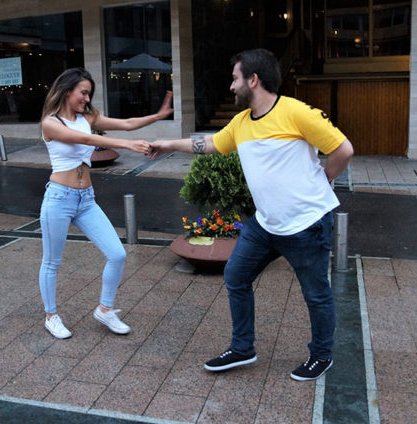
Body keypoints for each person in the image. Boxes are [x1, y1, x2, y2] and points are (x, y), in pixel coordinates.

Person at [149, 49, 353, 381]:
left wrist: (324, 178)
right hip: (265, 225)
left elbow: (343, 150)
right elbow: (211, 143)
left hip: (306, 225)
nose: (231, 86)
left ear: (253, 80)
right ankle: (243, 347)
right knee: (236, 276)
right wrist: (170, 144)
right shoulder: (241, 122)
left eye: (235, 78)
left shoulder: (296, 112)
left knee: (316, 294)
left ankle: (321, 355)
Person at [39, 67, 173, 339]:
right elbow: (85, 139)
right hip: (59, 199)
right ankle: (51, 316)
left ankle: (105, 309)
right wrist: (128, 145)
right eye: (83, 92)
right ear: (67, 90)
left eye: (89, 94)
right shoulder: (50, 123)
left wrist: (157, 116)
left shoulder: (87, 117)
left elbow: (128, 123)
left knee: (117, 254)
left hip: (86, 199)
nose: (87, 99)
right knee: (52, 262)